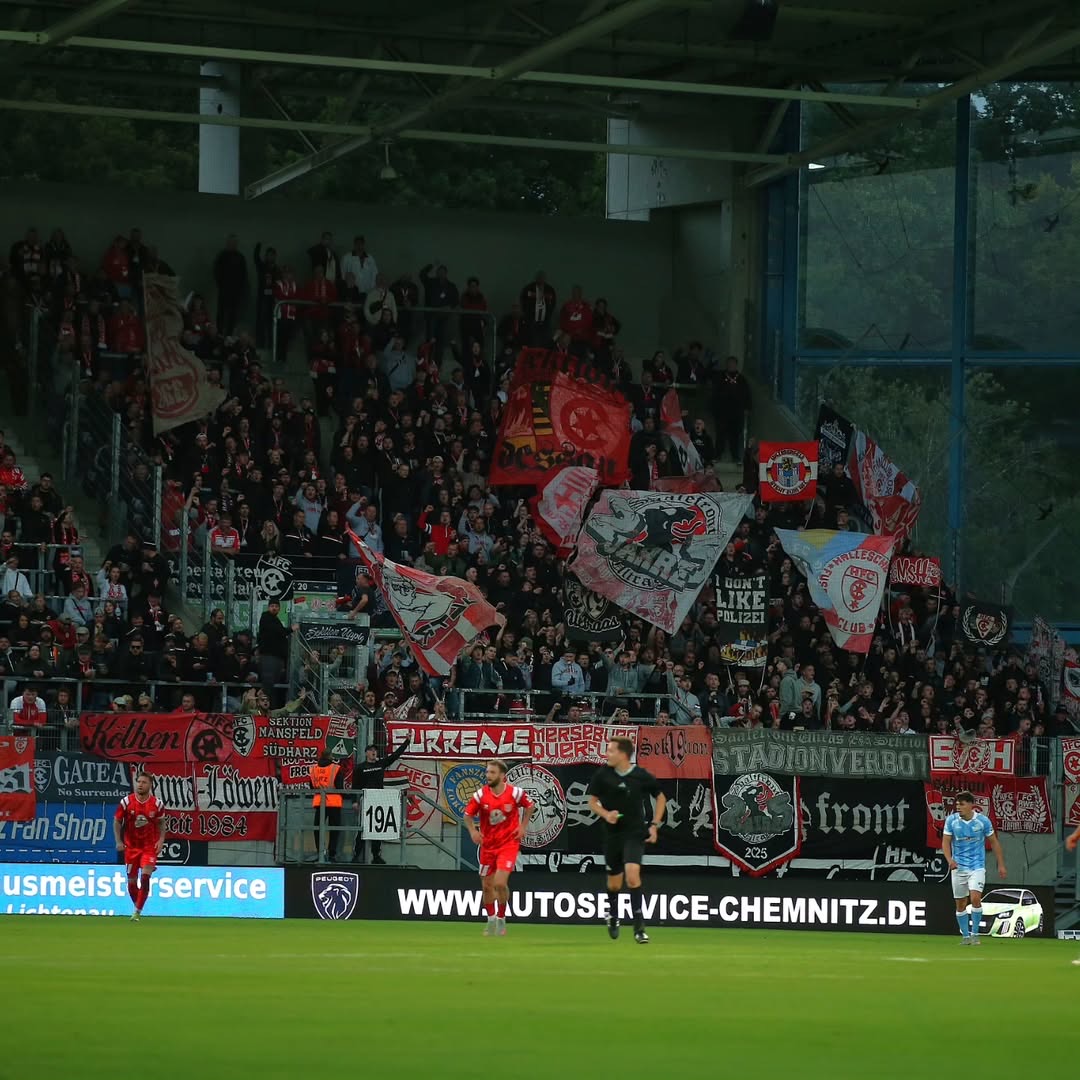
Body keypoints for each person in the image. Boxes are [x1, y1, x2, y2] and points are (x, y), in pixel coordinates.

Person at [587, 736, 665, 944]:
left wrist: (655, 825)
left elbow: (660, 796)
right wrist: (606, 814)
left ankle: (639, 927)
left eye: (611, 750)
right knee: (614, 884)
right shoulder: (603, 774)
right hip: (613, 834)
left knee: (632, 876)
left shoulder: (640, 775)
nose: (607, 754)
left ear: (623, 754)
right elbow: (592, 802)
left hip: (635, 832)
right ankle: (613, 915)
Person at [461, 759, 534, 937]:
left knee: (500, 883)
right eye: (487, 772)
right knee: (487, 886)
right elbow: (467, 815)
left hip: (508, 844)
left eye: (492, 773)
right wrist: (472, 831)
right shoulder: (480, 795)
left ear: (502, 776)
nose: (488, 776)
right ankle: (491, 920)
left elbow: (530, 806)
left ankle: (501, 918)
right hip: (488, 846)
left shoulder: (515, 793)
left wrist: (523, 826)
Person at [942, 790, 1006, 945]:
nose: (958, 807)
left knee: (975, 898)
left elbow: (994, 842)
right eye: (957, 804)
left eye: (962, 804)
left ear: (971, 805)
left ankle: (975, 934)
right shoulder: (951, 821)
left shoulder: (983, 821)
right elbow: (945, 842)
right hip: (958, 868)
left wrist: (1001, 864)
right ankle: (965, 936)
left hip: (977, 867)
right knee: (961, 904)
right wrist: (949, 860)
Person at [113, 772, 167, 921]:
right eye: (139, 782)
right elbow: (117, 821)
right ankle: (139, 906)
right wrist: (118, 841)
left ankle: (136, 912)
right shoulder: (126, 802)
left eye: (144, 782)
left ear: (150, 785)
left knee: (145, 877)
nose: (140, 784)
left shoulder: (157, 804)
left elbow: (162, 823)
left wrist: (161, 840)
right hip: (131, 847)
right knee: (131, 884)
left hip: (149, 847)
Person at [351, 740, 410, 863]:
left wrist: (407, 742)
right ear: (366, 753)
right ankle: (356, 855)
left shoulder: (381, 763)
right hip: (365, 799)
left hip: (378, 799)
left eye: (375, 750)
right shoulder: (360, 768)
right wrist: (354, 802)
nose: (374, 752)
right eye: (371, 750)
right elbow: (355, 786)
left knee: (377, 829)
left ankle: (376, 856)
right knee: (363, 828)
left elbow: (395, 755)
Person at [310, 751, 343, 862]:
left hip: (320, 802)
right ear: (331, 757)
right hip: (334, 802)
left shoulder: (314, 769)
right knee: (334, 829)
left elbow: (312, 786)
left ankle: (320, 852)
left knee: (318, 828)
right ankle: (332, 854)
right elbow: (339, 787)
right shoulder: (336, 768)